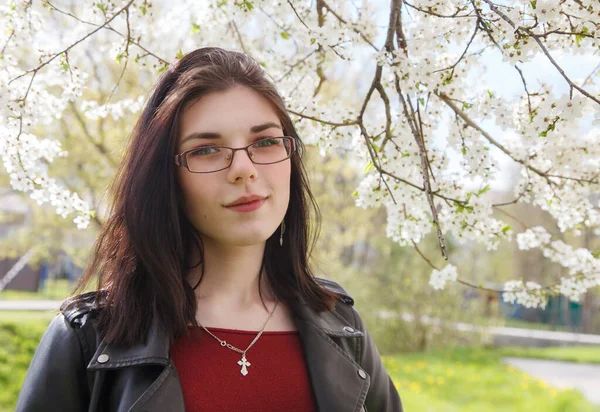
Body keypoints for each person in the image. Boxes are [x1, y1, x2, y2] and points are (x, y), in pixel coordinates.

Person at [16, 47, 402, 412]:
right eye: (206, 150)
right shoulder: (87, 339)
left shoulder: (341, 326)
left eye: (265, 141)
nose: (244, 169)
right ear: (164, 177)